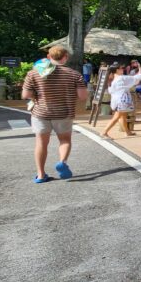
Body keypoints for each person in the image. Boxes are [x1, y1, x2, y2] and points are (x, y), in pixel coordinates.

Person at [21, 45, 88, 183]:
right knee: (64, 140)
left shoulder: (33, 73)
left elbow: (25, 95)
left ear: (48, 57)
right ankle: (62, 162)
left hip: (41, 113)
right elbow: (82, 96)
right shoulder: (74, 75)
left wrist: (38, 93)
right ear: (65, 58)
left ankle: (40, 175)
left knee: (41, 143)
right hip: (64, 113)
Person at [100, 64, 141, 139]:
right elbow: (137, 77)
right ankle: (104, 132)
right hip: (122, 100)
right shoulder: (122, 78)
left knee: (123, 116)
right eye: (121, 68)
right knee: (117, 117)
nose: (122, 69)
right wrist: (139, 67)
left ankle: (127, 132)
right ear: (117, 70)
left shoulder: (112, 78)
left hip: (116, 100)